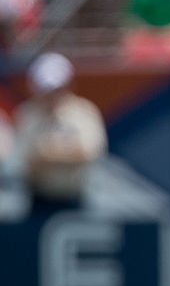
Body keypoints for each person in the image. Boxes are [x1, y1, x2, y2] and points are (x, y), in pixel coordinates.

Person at [12, 52, 107, 211]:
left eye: (56, 88)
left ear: (68, 84)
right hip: (38, 199)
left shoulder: (84, 111)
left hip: (75, 199)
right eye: (46, 89)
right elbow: (24, 159)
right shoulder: (27, 113)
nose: (51, 95)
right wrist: (67, 150)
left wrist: (46, 152)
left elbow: (90, 152)